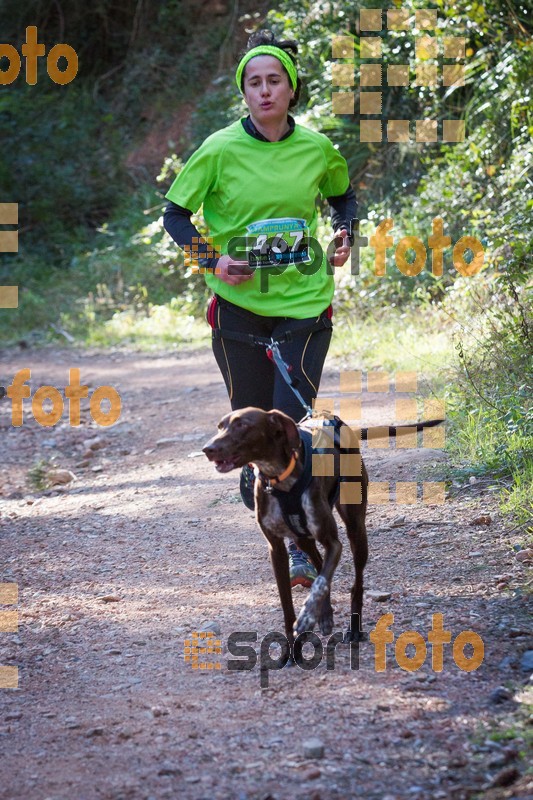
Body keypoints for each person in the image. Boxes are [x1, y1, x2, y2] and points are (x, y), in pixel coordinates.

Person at [163, 29, 357, 588]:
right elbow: (175, 213)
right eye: (254, 83)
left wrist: (344, 232)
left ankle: (297, 546)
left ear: (290, 89)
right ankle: (258, 489)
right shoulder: (220, 149)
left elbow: (342, 195)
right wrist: (213, 261)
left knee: (287, 424)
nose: (265, 91)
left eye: (275, 81)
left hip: (304, 303)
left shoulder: (317, 148)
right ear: (244, 93)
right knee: (249, 425)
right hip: (239, 311)